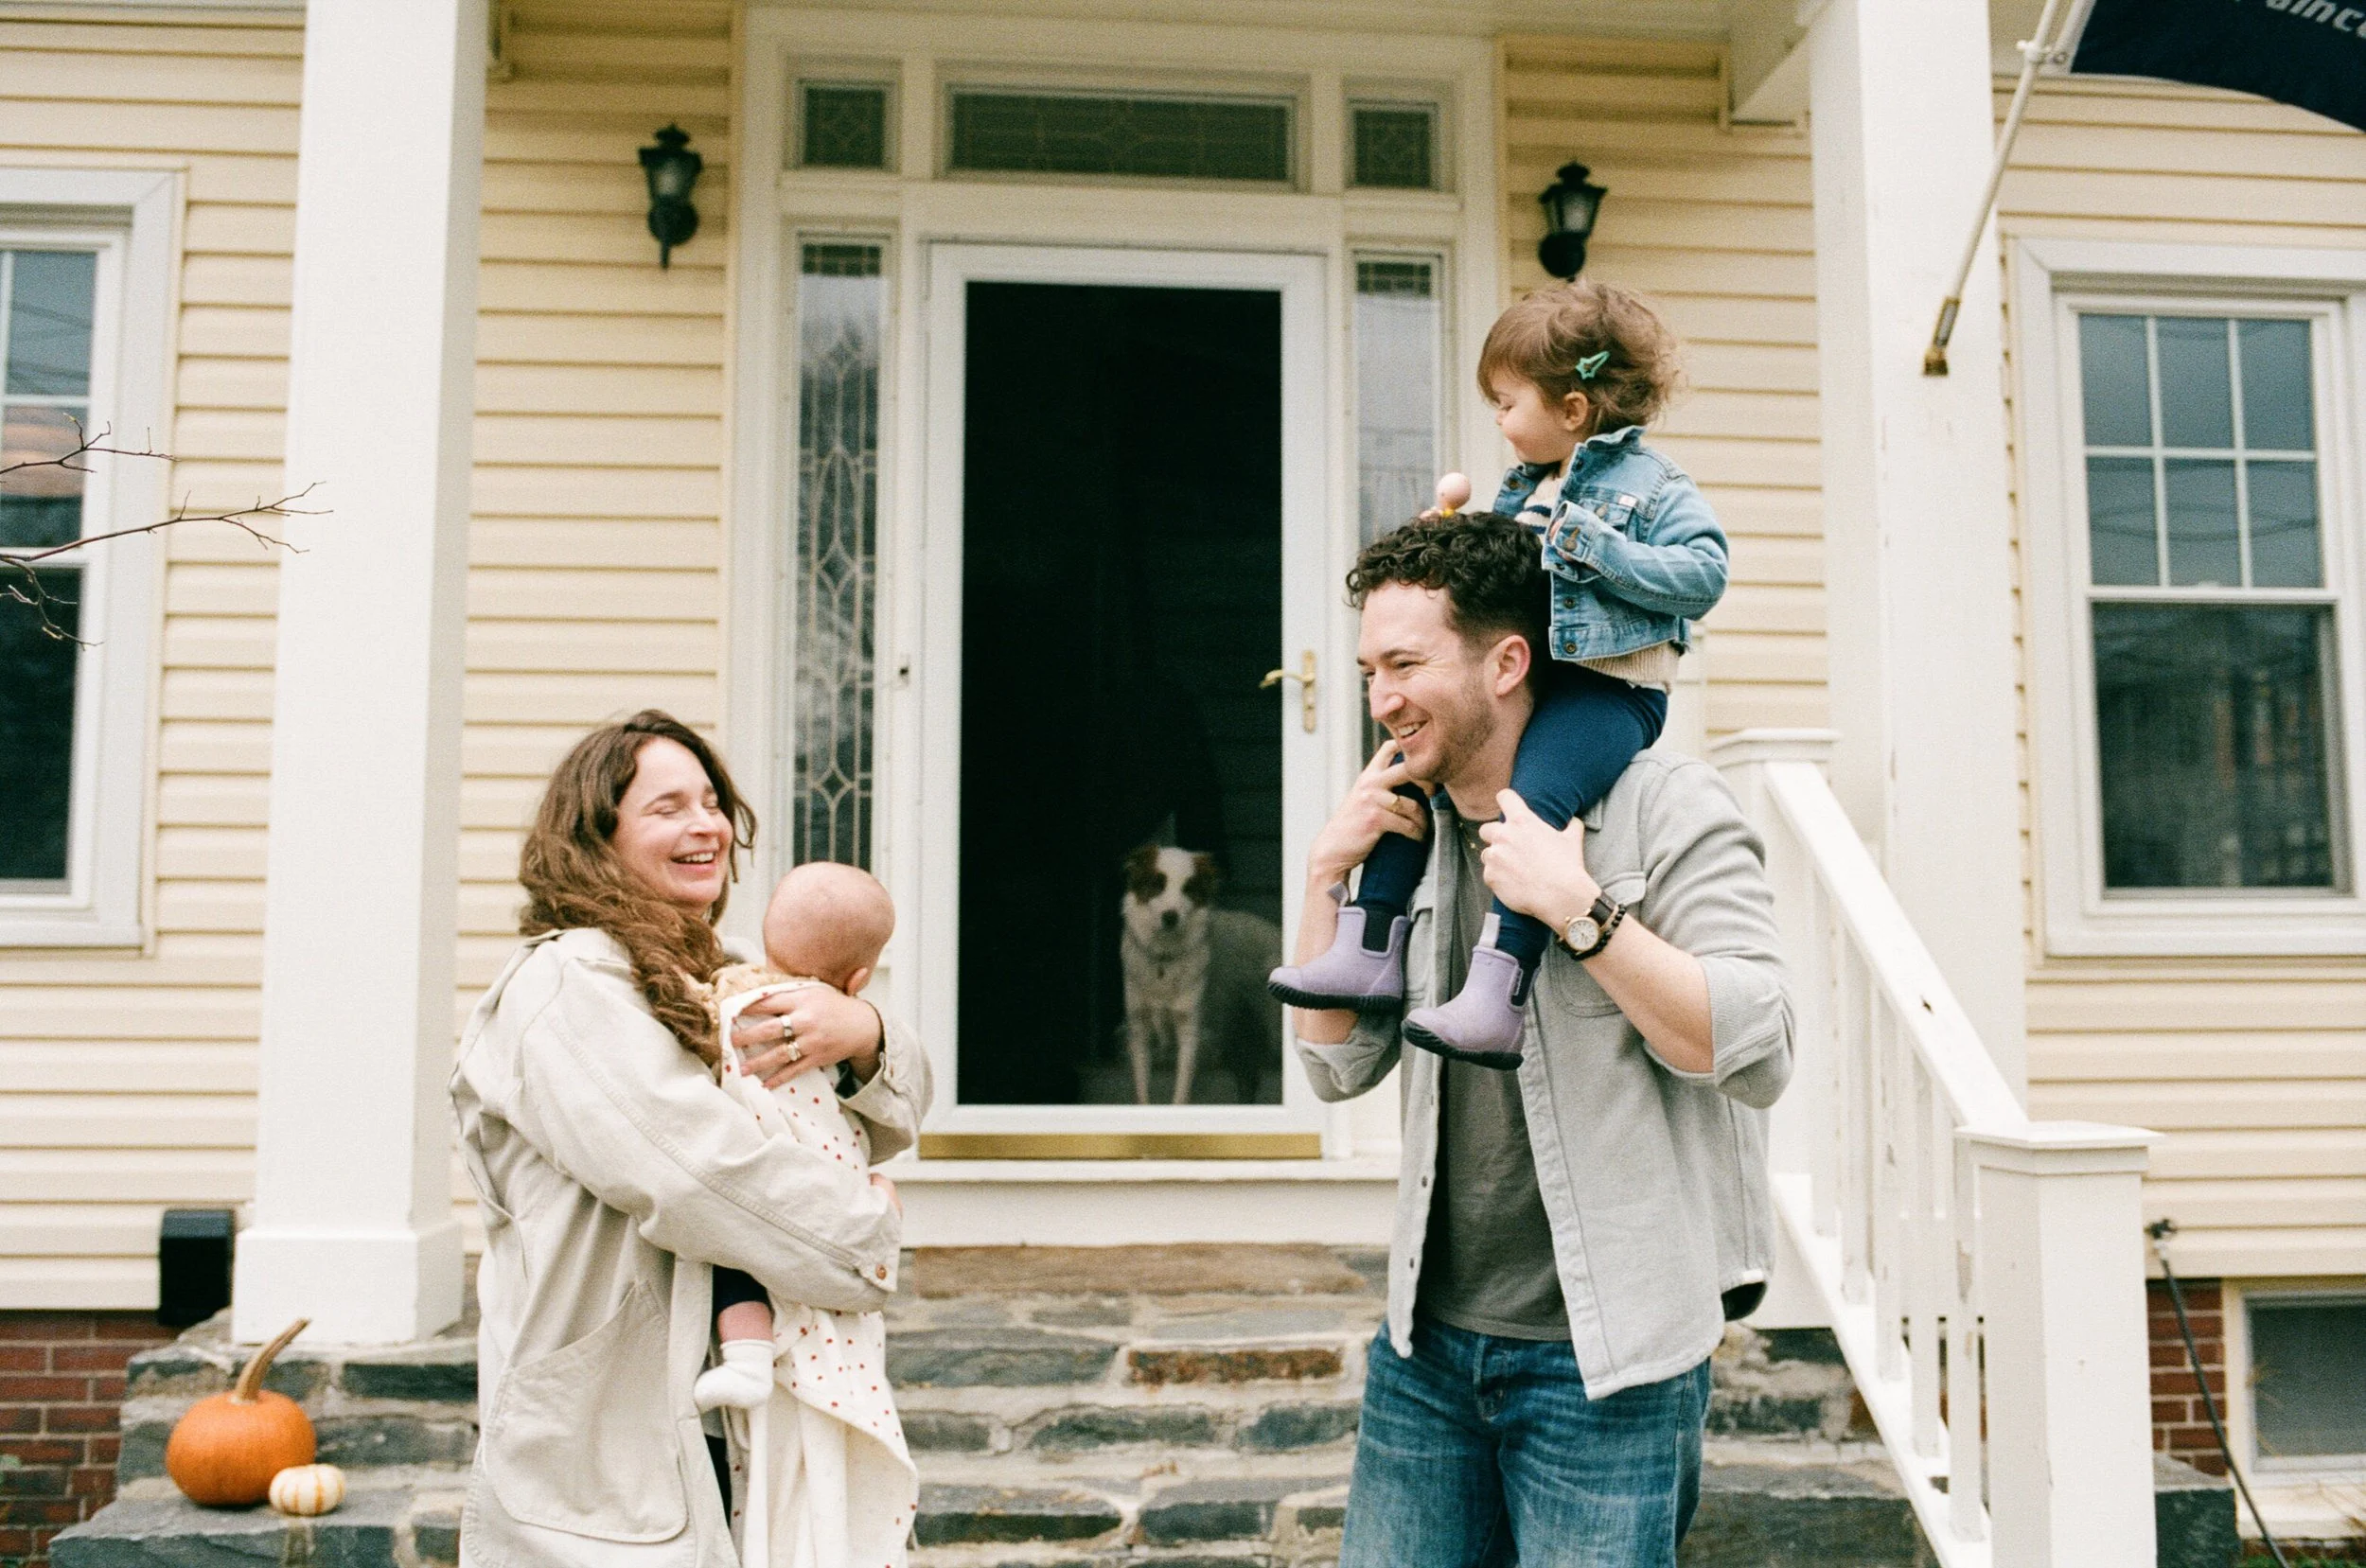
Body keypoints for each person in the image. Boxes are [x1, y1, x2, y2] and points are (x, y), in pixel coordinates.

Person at [1287, 515, 1792, 1568]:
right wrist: (1322, 883)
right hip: (1424, 1350)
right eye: (1371, 668)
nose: (1381, 697)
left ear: (1508, 661)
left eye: (1407, 663)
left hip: (1604, 1363)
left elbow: (1755, 1045)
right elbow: (1336, 1063)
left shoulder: (1662, 806)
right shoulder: (1406, 833)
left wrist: (1582, 913)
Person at [450, 711, 929, 1568]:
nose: (705, 824)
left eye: (710, 801)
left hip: (735, 1410)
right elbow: (694, 1173)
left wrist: (860, 1028)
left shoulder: (729, 967)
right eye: (668, 806)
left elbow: (888, 1115)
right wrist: (867, 1240)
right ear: (596, 837)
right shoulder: (567, 985)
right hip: (617, 1428)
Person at [1270, 280, 1730, 1067]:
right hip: (1552, 677)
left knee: (1535, 802)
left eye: (1506, 402)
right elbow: (1499, 591)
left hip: (1611, 690)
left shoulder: (1649, 487)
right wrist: (1443, 554)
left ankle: (1499, 984)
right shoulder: (1529, 485)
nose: (1498, 420)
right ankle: (1368, 941)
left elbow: (1704, 573)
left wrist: (1594, 544)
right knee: (1402, 783)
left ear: (1574, 409)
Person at [693, 864, 916, 1566]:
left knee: (778, 1476)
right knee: (816, 1474)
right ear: (856, 978)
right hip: (809, 1269)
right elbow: (820, 1149)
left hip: (746, 1265)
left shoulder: (723, 1012)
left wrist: (870, 1029)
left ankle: (749, 1352)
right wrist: (876, 1205)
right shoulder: (809, 1041)